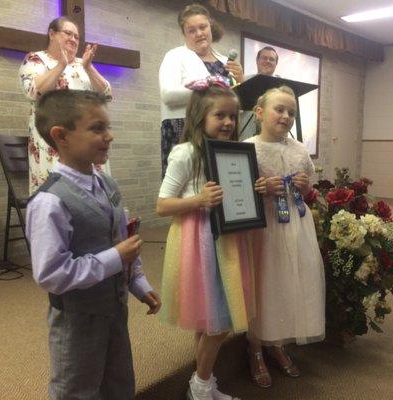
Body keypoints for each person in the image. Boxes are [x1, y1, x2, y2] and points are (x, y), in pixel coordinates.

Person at [26, 89, 161, 400]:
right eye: (97, 128)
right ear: (61, 136)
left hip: (114, 310)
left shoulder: (107, 183)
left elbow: (121, 237)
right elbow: (51, 275)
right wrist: (114, 258)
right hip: (77, 321)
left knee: (118, 382)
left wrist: (137, 282)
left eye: (108, 127)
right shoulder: (49, 202)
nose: (109, 136)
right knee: (78, 388)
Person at [157, 76, 263, 400]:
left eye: (233, 116)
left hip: (227, 241)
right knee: (218, 322)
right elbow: (162, 205)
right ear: (200, 116)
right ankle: (199, 388)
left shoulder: (233, 152)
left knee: (213, 317)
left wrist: (252, 191)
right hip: (198, 241)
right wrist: (198, 200)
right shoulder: (185, 153)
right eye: (221, 115)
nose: (229, 122)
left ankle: (205, 382)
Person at [244, 86, 325, 388]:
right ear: (260, 112)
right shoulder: (248, 148)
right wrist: (259, 188)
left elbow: (307, 187)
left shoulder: (299, 149)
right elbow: (238, 189)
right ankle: (255, 348)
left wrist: (303, 188)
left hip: (295, 227)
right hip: (264, 228)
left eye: (291, 112)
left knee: (288, 282)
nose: (286, 116)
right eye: (280, 109)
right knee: (263, 283)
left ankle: (276, 343)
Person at [19, 16, 112, 194]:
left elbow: (106, 95)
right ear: (52, 34)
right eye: (68, 33)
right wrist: (61, 65)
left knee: (93, 193)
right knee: (57, 193)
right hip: (53, 139)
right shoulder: (36, 59)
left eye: (77, 36)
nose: (73, 39)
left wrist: (88, 67)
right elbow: (34, 92)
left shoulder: (81, 64)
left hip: (87, 138)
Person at [159, 3, 244, 178]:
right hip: (183, 128)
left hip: (222, 130)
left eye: (203, 27)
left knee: (220, 182)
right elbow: (167, 95)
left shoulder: (224, 61)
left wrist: (241, 81)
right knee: (185, 188)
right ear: (184, 34)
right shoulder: (175, 56)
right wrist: (205, 88)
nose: (199, 33)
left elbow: (235, 102)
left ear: (210, 27)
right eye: (191, 30)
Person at [238, 47, 279, 141]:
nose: (267, 61)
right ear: (257, 61)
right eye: (264, 58)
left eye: (272, 59)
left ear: (276, 64)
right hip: (246, 134)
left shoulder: (282, 86)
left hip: (273, 138)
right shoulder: (243, 80)